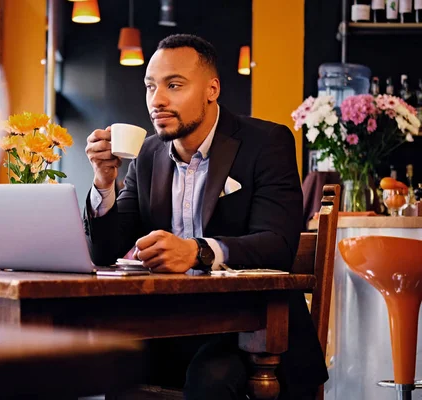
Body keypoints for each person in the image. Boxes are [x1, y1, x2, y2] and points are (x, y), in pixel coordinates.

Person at [83, 34, 327, 400]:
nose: (157, 100)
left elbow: (277, 246)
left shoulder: (267, 142)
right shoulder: (148, 155)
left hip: (252, 326)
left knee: (211, 377)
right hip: (172, 324)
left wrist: (198, 251)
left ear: (211, 89)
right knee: (106, 364)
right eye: (151, 87)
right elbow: (108, 251)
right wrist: (104, 183)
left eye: (174, 85)